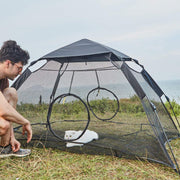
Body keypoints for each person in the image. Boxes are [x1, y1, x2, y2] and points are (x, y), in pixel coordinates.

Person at [0, 40, 32, 158]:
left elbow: (7, 110)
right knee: (3, 125)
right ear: (8, 63)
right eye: (19, 68)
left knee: (11, 92)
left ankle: (4, 148)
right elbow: (4, 111)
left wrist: (11, 138)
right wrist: (25, 122)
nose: (20, 73)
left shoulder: (4, 80)